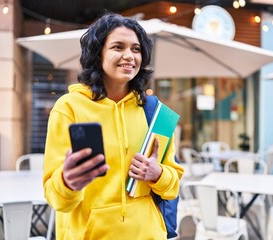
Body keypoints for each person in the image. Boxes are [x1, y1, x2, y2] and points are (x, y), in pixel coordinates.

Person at [43, 13, 184, 239]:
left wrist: (158, 174)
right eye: (118, 47)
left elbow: (173, 187)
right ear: (98, 53)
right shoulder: (68, 107)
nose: (129, 56)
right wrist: (67, 181)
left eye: (136, 49)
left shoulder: (157, 113)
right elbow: (56, 198)